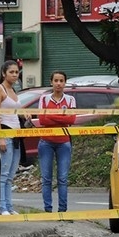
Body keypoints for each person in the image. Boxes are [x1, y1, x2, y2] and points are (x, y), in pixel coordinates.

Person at [0, 60, 30, 216]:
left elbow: (15, 111)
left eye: (16, 72)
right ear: (3, 73)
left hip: (17, 136)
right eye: (11, 72)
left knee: (11, 175)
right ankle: (2, 207)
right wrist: (0, 137)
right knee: (4, 174)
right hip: (5, 133)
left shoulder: (14, 91)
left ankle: (9, 206)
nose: (14, 75)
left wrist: (24, 112)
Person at [37, 71, 76, 212]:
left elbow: (71, 120)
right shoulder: (44, 99)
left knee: (63, 179)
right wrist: (61, 117)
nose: (58, 83)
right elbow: (42, 120)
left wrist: (52, 116)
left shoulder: (71, 99)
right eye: (56, 80)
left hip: (64, 142)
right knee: (46, 179)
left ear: (65, 83)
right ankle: (47, 210)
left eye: (61, 81)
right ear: (51, 82)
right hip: (46, 142)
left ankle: (62, 211)